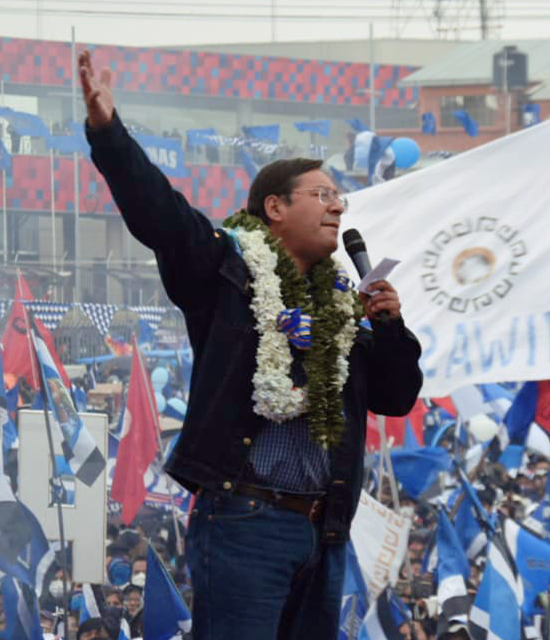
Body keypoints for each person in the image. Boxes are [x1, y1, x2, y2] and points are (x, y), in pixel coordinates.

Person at [77, 50, 423, 640]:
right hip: (245, 519)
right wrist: (108, 133)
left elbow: (395, 398)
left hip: (324, 525)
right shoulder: (225, 273)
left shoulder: (344, 305)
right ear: (275, 208)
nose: (338, 205)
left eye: (340, 197)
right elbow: (161, 214)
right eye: (322, 194)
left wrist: (390, 328)